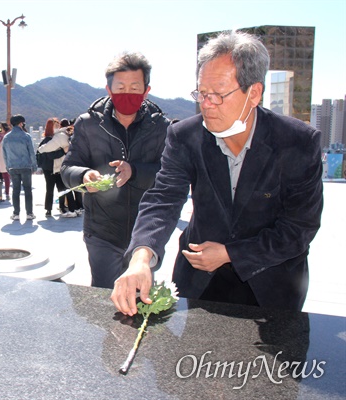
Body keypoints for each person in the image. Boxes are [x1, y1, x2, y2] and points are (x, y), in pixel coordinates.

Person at [111, 31, 324, 314]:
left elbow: (299, 228)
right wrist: (141, 257)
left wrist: (229, 253)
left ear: (254, 93)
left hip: (272, 284)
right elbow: (163, 198)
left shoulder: (297, 141)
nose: (206, 105)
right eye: (201, 93)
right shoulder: (185, 135)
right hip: (200, 281)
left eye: (218, 95)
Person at [61, 51, 170, 289]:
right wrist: (83, 175)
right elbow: (68, 167)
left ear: (146, 90)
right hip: (102, 232)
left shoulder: (161, 127)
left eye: (135, 87)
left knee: (140, 297)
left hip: (146, 234)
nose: (127, 94)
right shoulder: (88, 123)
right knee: (104, 298)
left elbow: (169, 176)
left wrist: (136, 171)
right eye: (120, 87)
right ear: (109, 90)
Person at [2, 115, 37, 221]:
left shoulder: (7, 137)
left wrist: (8, 166)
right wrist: (34, 166)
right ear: (21, 123)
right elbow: (31, 153)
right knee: (27, 190)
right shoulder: (26, 136)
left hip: (13, 167)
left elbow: (5, 154)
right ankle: (29, 213)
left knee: (15, 190)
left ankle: (16, 213)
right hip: (25, 166)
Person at [37, 118, 72, 217]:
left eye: (58, 125)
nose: (57, 127)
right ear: (50, 127)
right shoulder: (48, 140)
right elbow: (49, 155)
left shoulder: (56, 137)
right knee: (50, 189)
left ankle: (61, 207)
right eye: (55, 125)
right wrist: (63, 151)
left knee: (61, 188)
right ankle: (49, 209)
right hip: (49, 168)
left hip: (57, 167)